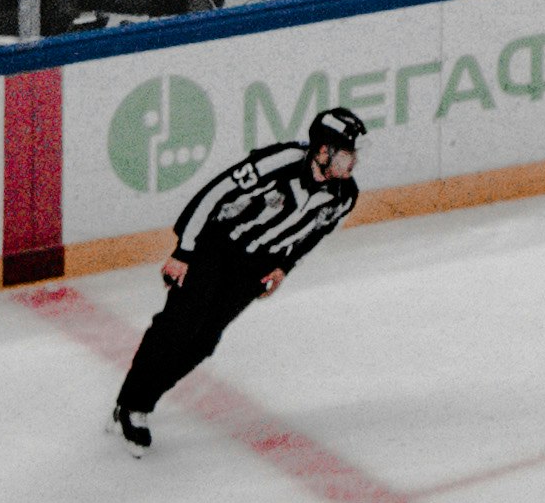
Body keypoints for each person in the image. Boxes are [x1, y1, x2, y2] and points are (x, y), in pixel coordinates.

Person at [110, 113, 365, 447]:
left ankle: (142, 399)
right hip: (217, 249)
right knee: (176, 327)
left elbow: (314, 235)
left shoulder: (345, 195)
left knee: (202, 342)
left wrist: (284, 266)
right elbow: (214, 193)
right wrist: (183, 251)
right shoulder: (280, 162)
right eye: (346, 153)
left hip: (255, 269)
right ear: (321, 152)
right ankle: (132, 405)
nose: (353, 162)